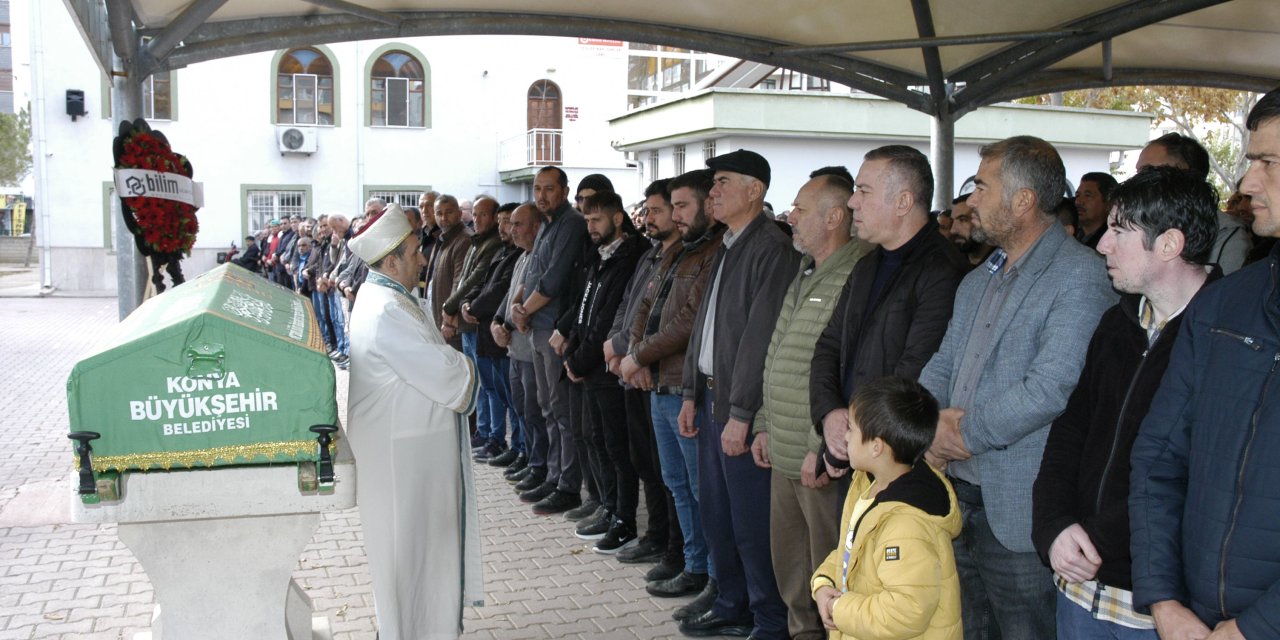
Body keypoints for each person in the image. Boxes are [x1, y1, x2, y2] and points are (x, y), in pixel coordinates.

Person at [918, 135, 1116, 640]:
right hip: (957, 491)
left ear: (1023, 200)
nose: (970, 201)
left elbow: (1052, 387)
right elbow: (941, 363)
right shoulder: (977, 278)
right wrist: (928, 424)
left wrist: (960, 434)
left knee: (1025, 629)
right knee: (967, 627)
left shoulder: (1081, 277)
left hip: (1021, 506)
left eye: (982, 187)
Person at [1033, 166, 1219, 639]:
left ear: (1170, 244)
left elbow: (1200, 473)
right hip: (1078, 587)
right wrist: (1053, 524)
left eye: (1120, 232)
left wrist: (1094, 538)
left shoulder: (1226, 337)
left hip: (1157, 605)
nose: (1102, 245)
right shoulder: (1116, 323)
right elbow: (1071, 429)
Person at [1129, 86, 1280, 640]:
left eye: (1267, 161)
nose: (1246, 182)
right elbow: (1157, 459)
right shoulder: (1223, 304)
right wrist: (1164, 600)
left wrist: (1255, 628)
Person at [678, 149, 800, 639]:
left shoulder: (771, 248)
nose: (714, 191)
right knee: (717, 512)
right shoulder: (726, 244)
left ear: (756, 190)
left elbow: (759, 339)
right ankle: (732, 602)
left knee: (752, 522)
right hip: (710, 398)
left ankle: (769, 620)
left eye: (723, 181)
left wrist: (742, 412)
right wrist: (690, 392)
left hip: (736, 406)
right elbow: (704, 330)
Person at [344, 203, 480, 640]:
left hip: (404, 456)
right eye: (414, 252)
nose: (423, 259)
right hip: (402, 463)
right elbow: (445, 374)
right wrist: (468, 367)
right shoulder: (386, 309)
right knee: (410, 557)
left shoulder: (386, 297)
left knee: (414, 557)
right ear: (390, 260)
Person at [752, 171, 869, 640]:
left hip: (816, 454)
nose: (791, 217)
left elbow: (844, 372)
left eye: (801, 210)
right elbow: (778, 351)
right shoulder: (807, 271)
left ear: (835, 217)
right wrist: (763, 423)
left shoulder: (857, 273)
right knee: (791, 565)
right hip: (783, 446)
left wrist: (817, 445)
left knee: (828, 566)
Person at [624, 169, 726, 619]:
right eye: (675, 206)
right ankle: (694, 564)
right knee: (677, 485)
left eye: (683, 206)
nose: (677, 215)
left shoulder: (713, 253)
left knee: (702, 489)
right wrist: (637, 355)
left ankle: (714, 575)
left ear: (707, 204)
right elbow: (644, 306)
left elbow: (690, 321)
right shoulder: (675, 253)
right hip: (659, 386)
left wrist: (639, 356)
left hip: (686, 388)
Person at [811, 377, 961, 640]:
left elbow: (904, 613)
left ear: (876, 447)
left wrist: (838, 607)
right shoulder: (868, 485)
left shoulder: (907, 525)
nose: (845, 437)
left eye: (852, 430)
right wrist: (824, 583)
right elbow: (850, 551)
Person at [564, 191, 649, 553]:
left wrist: (581, 359)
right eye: (586, 220)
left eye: (596, 219)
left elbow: (607, 318)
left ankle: (624, 519)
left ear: (617, 218)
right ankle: (608, 506)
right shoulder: (599, 256)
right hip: (592, 365)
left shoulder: (630, 256)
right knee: (599, 440)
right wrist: (573, 351)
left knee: (618, 448)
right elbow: (583, 311)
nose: (591, 227)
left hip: (609, 368)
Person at [511, 167, 590, 515]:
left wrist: (524, 311)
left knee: (561, 410)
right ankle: (554, 476)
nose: (541, 195)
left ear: (564, 190)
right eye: (537, 189)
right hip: (537, 328)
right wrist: (518, 305)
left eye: (549, 189)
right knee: (547, 407)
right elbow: (534, 273)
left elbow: (555, 279)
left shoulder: (571, 223)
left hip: (555, 329)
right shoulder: (547, 225)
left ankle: (568, 486)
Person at [1135, 133, 1252, 274]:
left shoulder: (1228, 238)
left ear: (1187, 175)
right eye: (1138, 173)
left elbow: (1224, 293)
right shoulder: (1139, 225)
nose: (1137, 181)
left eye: (1148, 172)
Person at [1074, 172, 1117, 249]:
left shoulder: (1113, 243)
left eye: (1088, 195)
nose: (1078, 201)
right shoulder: (1071, 234)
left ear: (1109, 203)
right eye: (1077, 195)